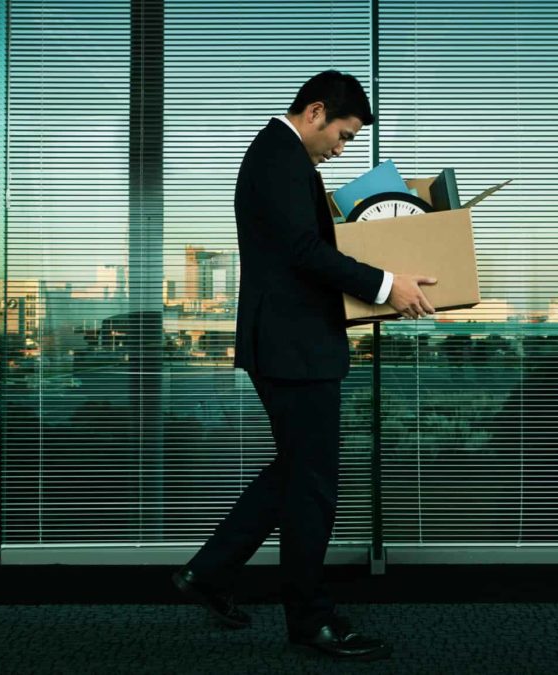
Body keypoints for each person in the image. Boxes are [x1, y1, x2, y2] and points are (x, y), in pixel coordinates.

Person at [171, 70, 436, 662]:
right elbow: (303, 251)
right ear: (315, 112)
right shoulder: (278, 158)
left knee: (297, 471)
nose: (341, 149)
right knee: (312, 485)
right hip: (293, 348)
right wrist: (387, 283)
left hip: (294, 343)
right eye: (342, 135)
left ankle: (211, 573)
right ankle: (309, 621)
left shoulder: (285, 160)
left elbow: (306, 246)